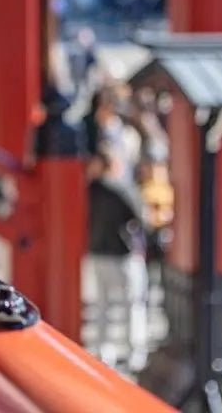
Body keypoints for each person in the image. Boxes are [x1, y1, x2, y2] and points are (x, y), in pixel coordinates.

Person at [87, 148, 149, 372]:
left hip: (98, 253)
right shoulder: (123, 190)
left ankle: (105, 351)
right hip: (123, 254)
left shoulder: (89, 190)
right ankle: (135, 353)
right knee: (132, 304)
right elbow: (140, 219)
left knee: (104, 305)